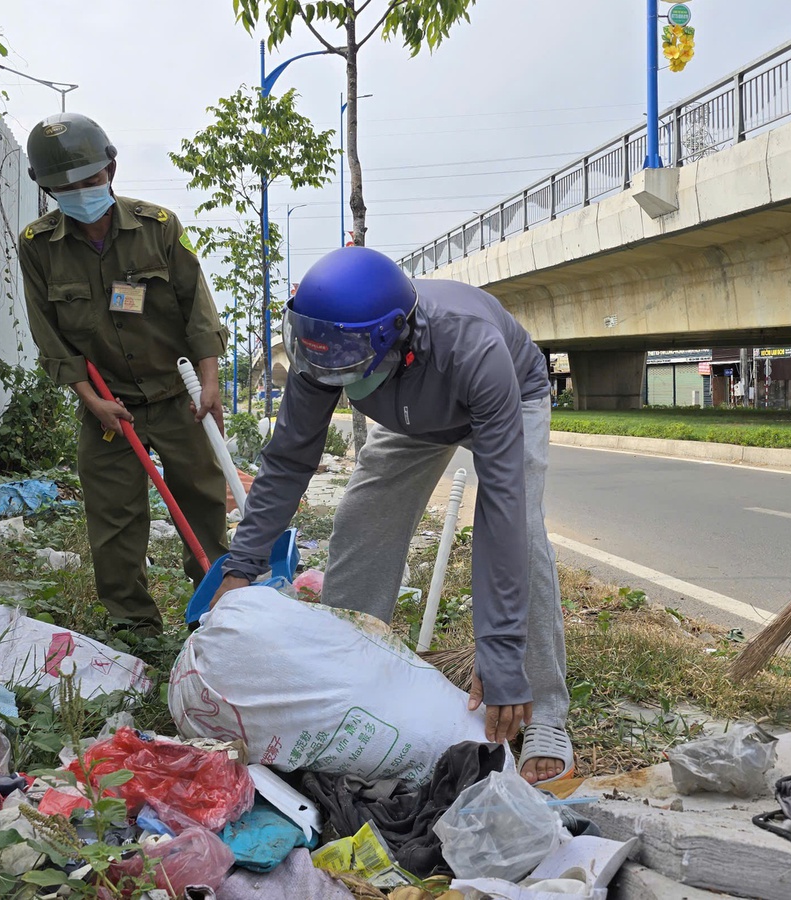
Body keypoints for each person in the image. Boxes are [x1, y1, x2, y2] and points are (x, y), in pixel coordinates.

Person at [215, 246, 574, 786]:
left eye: (346, 365)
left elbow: (501, 509)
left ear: (396, 338)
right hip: (411, 415)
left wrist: (498, 653)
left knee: (520, 533)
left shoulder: (472, 347)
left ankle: (545, 711)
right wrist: (240, 567)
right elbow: (288, 460)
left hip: (504, 398)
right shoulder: (323, 347)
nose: (334, 374)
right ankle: (346, 678)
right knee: (362, 518)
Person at [17, 112, 229, 636]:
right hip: (107, 404)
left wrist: (209, 384)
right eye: (65, 187)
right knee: (114, 518)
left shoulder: (159, 227)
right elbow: (50, 335)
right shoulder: (38, 246)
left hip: (178, 396)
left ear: (110, 169)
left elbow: (198, 311)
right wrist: (91, 401)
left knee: (202, 504)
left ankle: (218, 612)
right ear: (46, 187)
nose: (80, 193)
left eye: (89, 180)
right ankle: (135, 627)